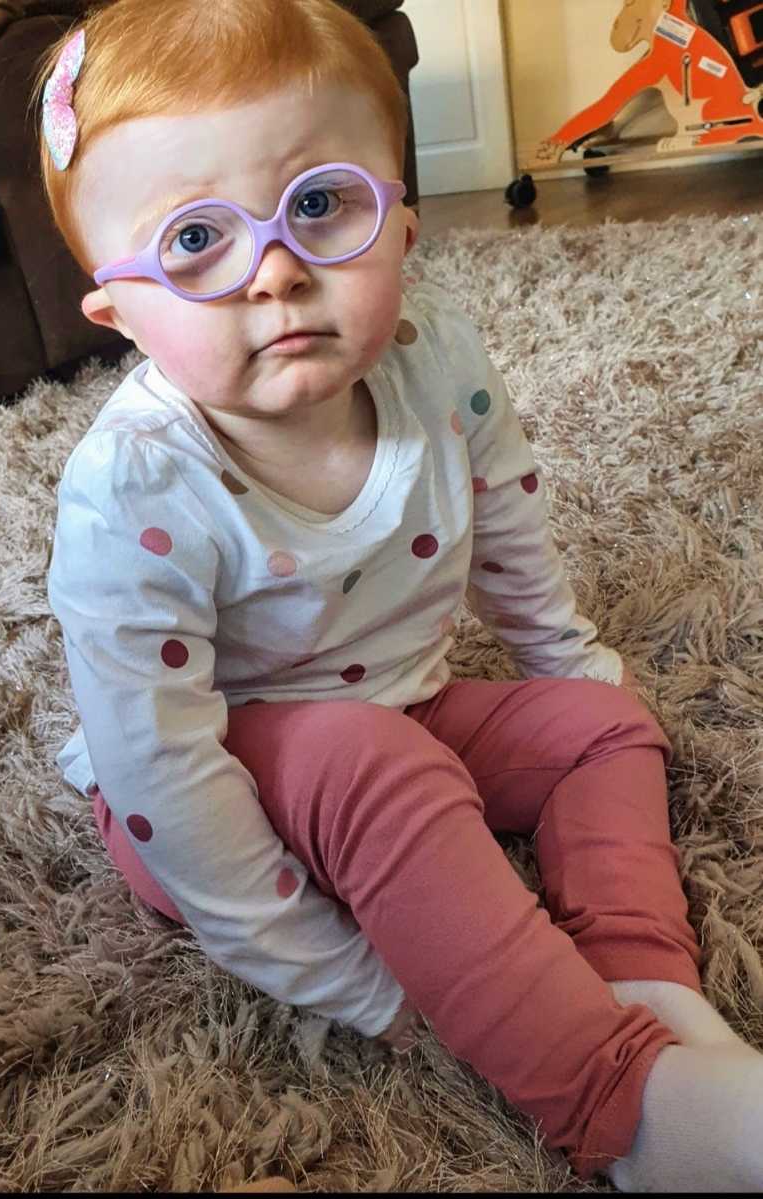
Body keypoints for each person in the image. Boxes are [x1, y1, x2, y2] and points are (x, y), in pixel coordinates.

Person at [38, 0, 763, 1189]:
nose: (274, 271)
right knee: (381, 764)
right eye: (194, 243)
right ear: (120, 317)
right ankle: (623, 1106)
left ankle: (646, 986)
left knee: (603, 717)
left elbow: (510, 525)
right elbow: (158, 765)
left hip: (403, 715)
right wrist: (353, 974)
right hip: (207, 803)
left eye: (320, 205)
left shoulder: (438, 359)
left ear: (404, 223)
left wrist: (561, 652)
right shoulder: (133, 489)